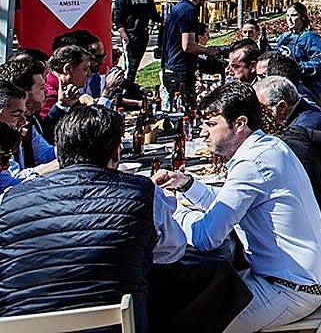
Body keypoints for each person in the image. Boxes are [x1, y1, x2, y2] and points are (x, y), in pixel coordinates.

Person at [153, 82, 321, 333]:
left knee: (181, 321)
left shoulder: (252, 163)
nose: (203, 133)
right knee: (188, 300)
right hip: (293, 279)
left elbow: (206, 238)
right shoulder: (268, 146)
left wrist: (172, 211)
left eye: (211, 124)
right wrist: (186, 184)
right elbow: (230, 204)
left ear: (239, 124)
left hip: (290, 290)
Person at [0, 105, 185, 331]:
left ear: (60, 152)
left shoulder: (10, 200)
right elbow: (173, 250)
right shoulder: (142, 193)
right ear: (116, 151)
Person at [255, 76, 321, 216]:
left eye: (262, 109)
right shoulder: (301, 105)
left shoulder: (302, 129)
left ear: (282, 106)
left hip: (310, 203)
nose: (259, 115)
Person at [161, 0, 213, 108]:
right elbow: (188, 46)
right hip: (180, 70)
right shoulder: (189, 11)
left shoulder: (179, 7)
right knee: (186, 113)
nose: (206, 0)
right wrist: (207, 50)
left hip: (172, 67)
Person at [274, 2, 321, 99]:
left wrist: (297, 68)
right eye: (287, 16)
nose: (289, 19)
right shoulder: (284, 37)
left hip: (306, 87)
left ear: (302, 17)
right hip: (285, 85)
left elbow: (320, 62)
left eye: (294, 15)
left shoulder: (311, 37)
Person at [112, 0, 161, 78]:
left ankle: (131, 84)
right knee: (129, 64)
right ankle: (125, 86)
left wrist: (165, 21)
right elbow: (117, 16)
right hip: (130, 34)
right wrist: (122, 33)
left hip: (143, 34)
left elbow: (153, 14)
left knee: (136, 63)